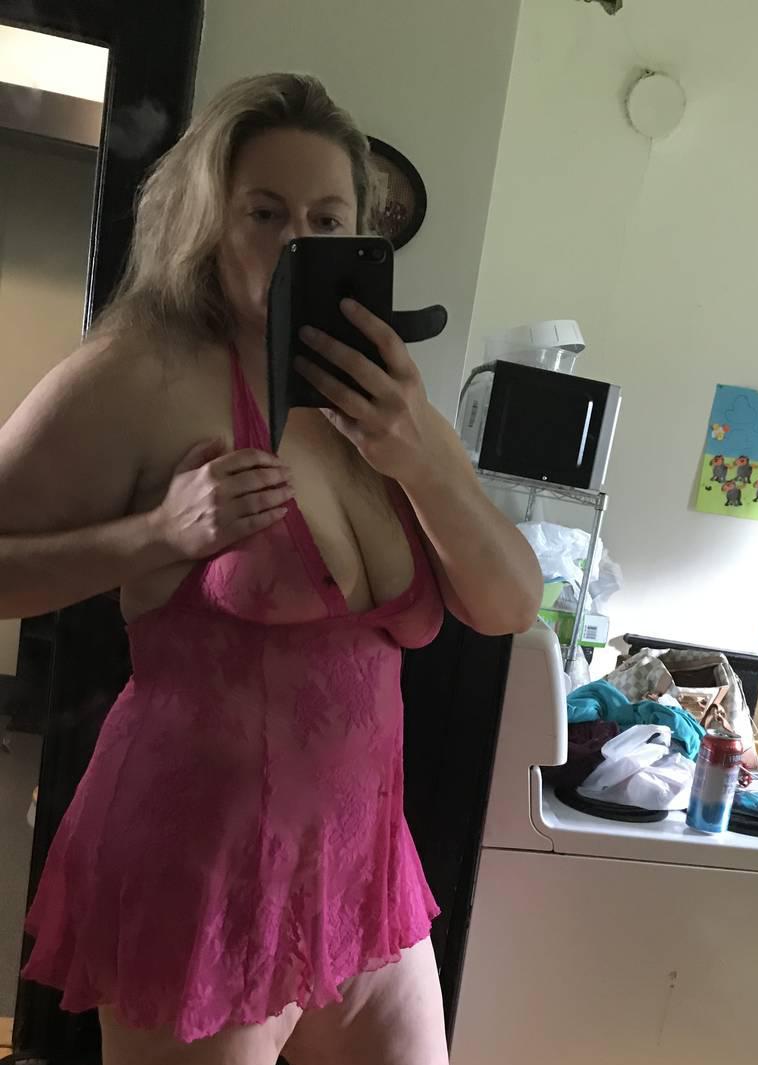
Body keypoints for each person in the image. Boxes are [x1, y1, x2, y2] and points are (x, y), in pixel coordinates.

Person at [0, 73, 542, 1064]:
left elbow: (508, 604)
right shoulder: (145, 374)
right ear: (208, 221)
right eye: (265, 212)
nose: (296, 241)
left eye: (325, 219)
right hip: (201, 877)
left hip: (362, 871)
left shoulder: (381, 396)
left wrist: (417, 454)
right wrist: (155, 536)